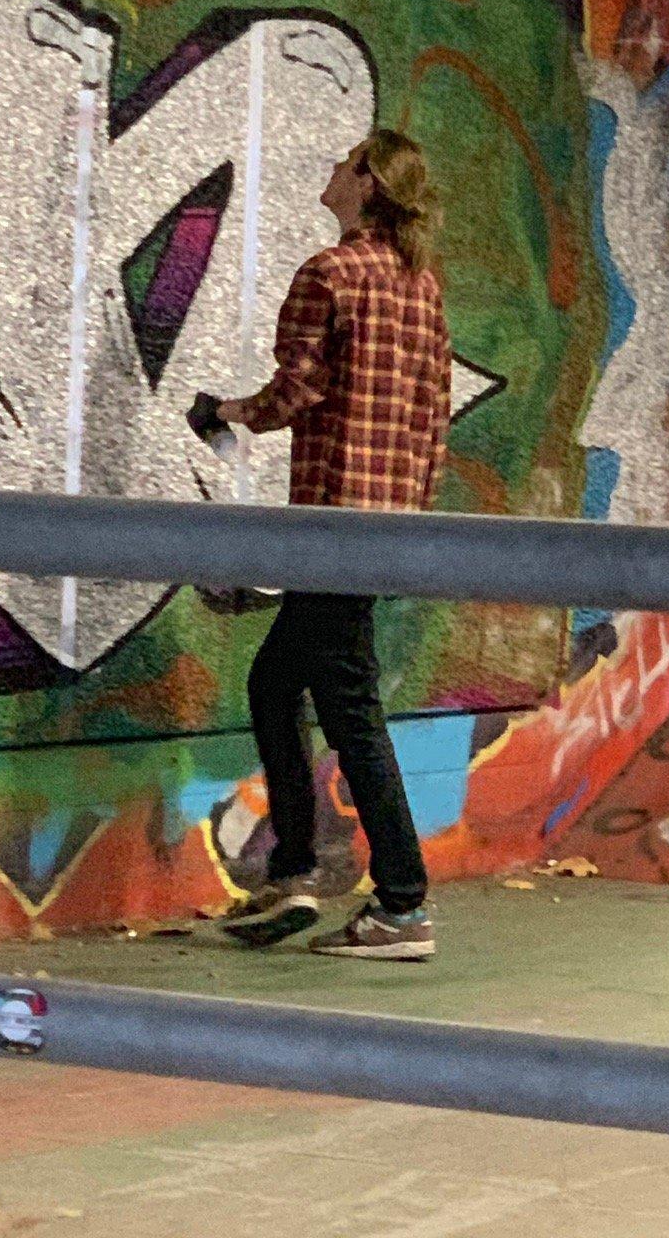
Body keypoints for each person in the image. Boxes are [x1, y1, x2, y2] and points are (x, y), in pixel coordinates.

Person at [211, 129, 450, 961]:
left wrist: (228, 414)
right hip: (386, 525)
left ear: (368, 182)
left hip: (328, 520)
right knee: (276, 681)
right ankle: (297, 864)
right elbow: (434, 414)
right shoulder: (421, 285)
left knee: (351, 711)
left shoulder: (331, 271)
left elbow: (296, 390)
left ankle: (403, 905)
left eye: (342, 159)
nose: (329, 167)